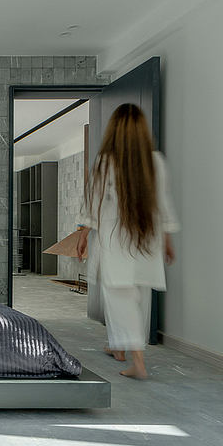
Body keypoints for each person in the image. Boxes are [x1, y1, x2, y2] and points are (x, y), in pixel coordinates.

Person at [75, 103, 179, 379]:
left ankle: (138, 363)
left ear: (114, 130)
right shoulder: (155, 161)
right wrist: (167, 240)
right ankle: (118, 347)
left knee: (119, 297)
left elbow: (93, 203)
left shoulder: (106, 161)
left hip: (116, 239)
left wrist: (84, 233)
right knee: (139, 298)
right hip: (147, 238)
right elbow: (163, 204)